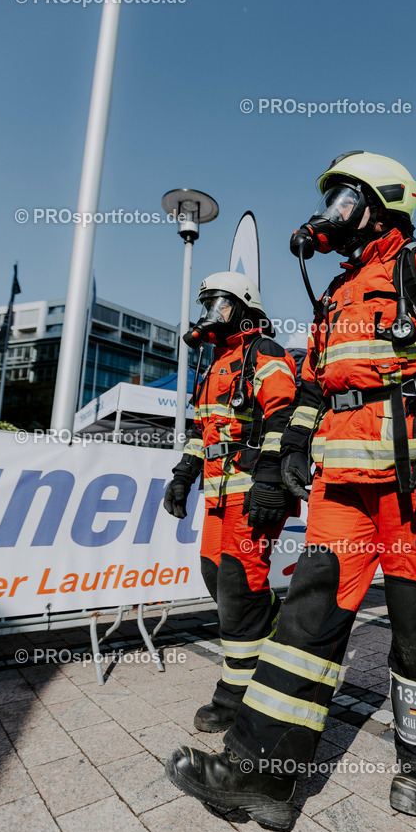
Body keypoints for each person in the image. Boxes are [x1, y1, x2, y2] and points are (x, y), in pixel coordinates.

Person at [165, 152, 416, 830]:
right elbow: (315, 385)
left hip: (413, 485)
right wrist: (290, 450)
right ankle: (261, 777)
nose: (329, 215)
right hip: (341, 490)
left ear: (379, 204)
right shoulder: (336, 295)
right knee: (304, 624)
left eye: (343, 199)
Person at [162, 271, 297, 732]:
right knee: (216, 576)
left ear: (242, 308)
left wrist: (269, 481)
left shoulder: (265, 354)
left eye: (218, 305)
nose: (209, 315)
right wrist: (183, 475)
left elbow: (283, 417)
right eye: (206, 306)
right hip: (218, 493)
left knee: (239, 587)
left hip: (251, 489)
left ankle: (236, 694)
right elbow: (205, 432)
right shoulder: (216, 364)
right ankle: (272, 626)